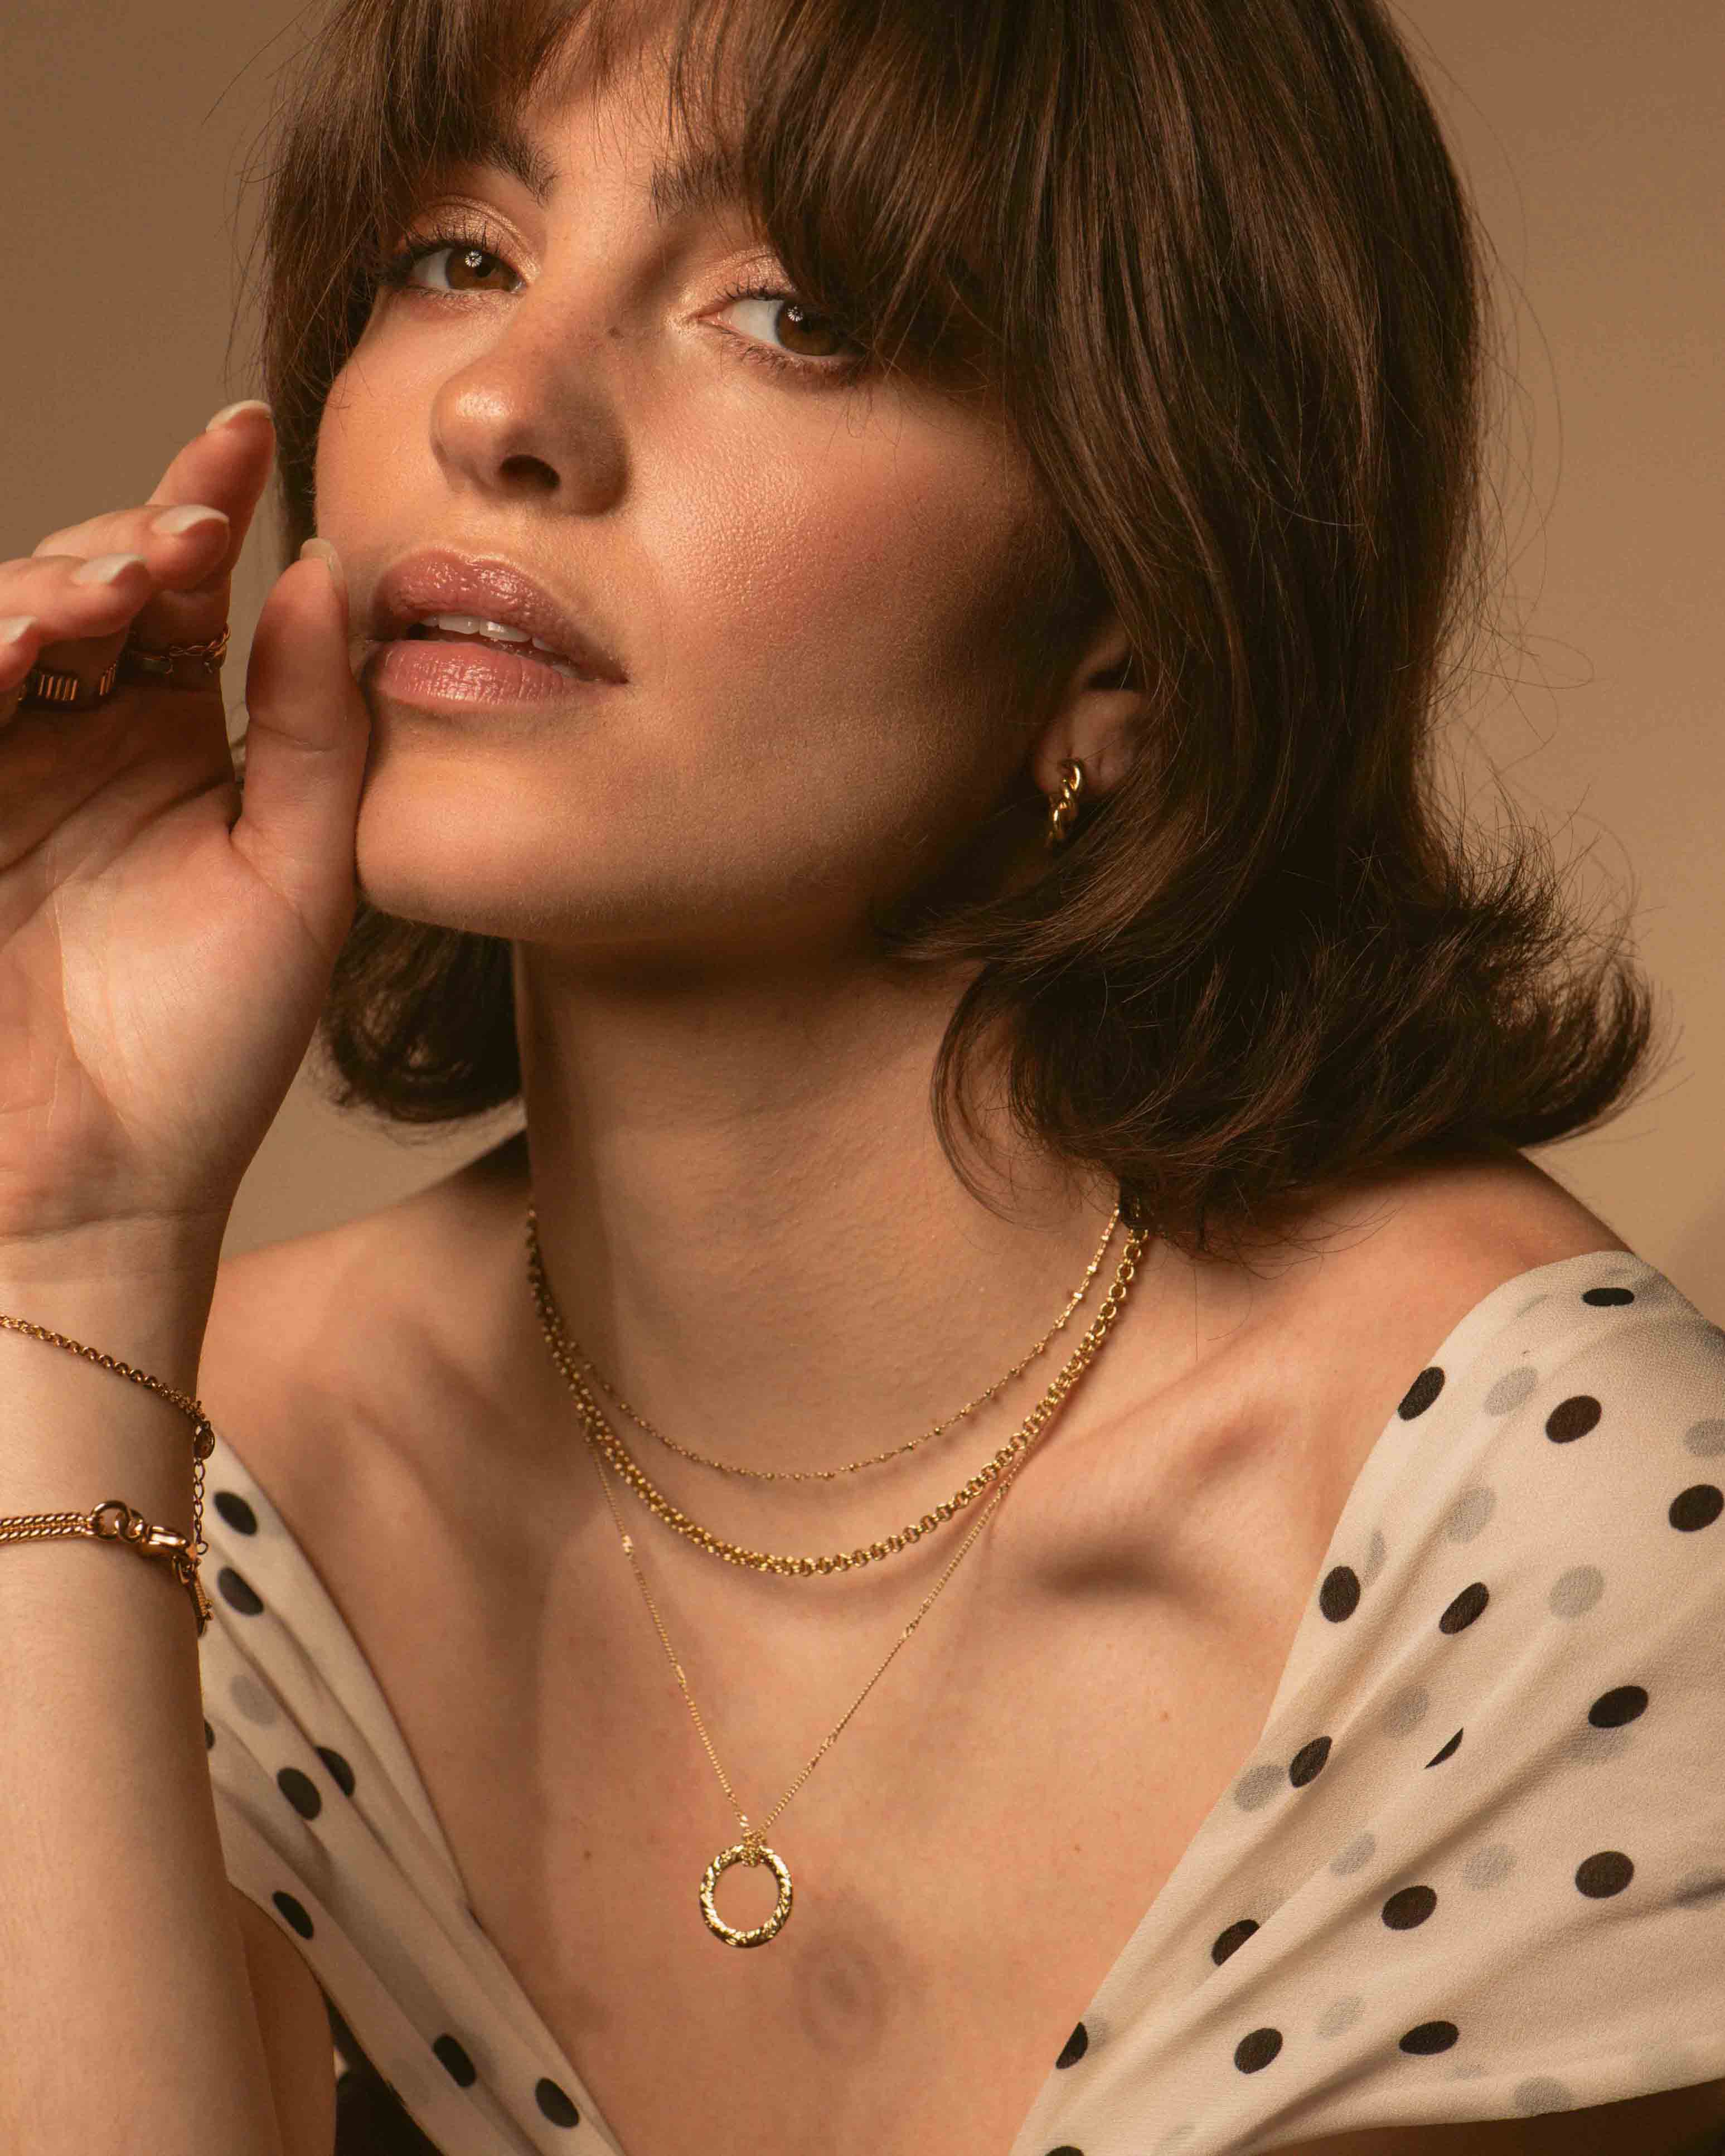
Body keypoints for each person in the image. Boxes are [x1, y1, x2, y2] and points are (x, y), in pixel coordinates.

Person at [1, 0, 1721, 2151]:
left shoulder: (1562, 1554)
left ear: (1132, 624)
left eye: (793, 312)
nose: (503, 403)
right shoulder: (143, 1465)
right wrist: (70, 1251)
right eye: (458, 254)